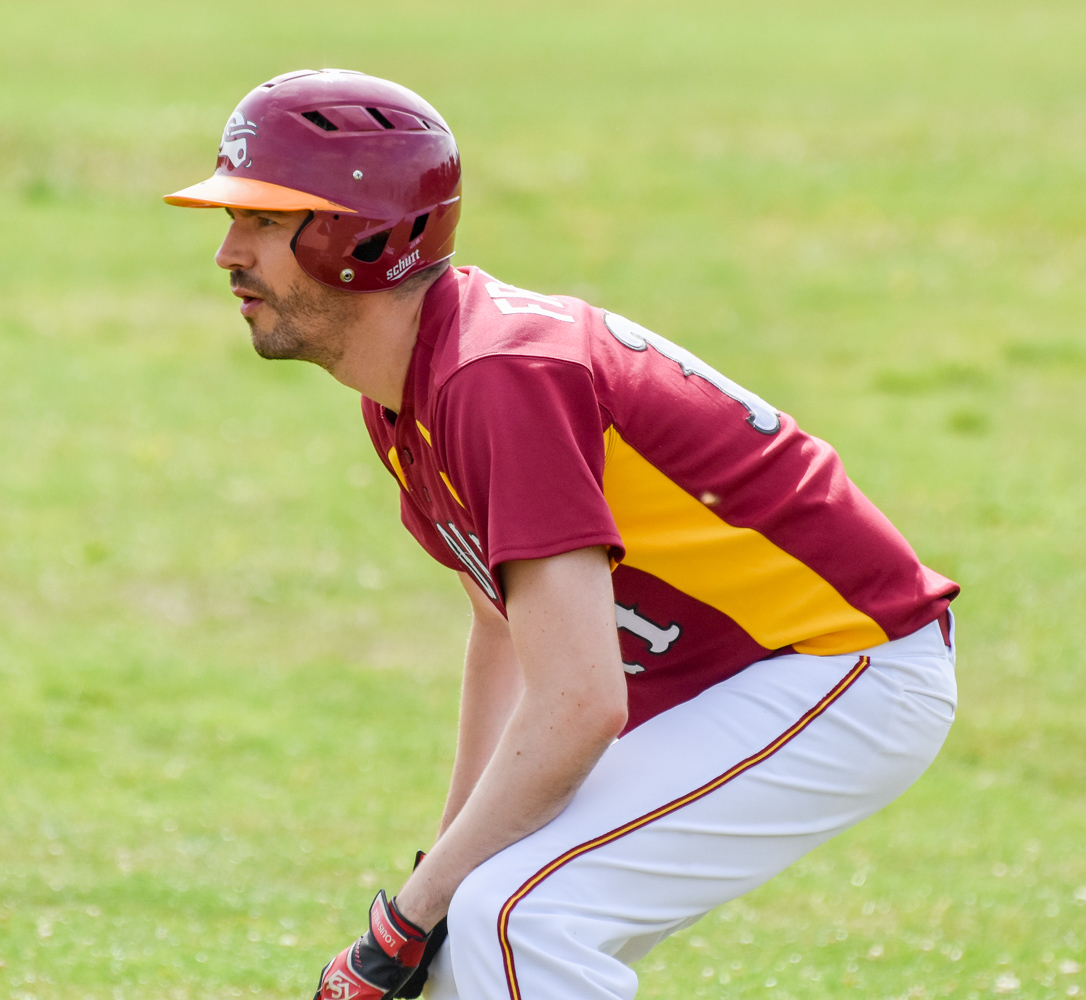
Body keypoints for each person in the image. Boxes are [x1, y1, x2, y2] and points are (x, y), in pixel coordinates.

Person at [164, 69, 959, 1000]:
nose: (227, 252)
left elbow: (580, 702)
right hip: (737, 671)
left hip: (845, 663)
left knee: (519, 919)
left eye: (262, 220)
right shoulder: (410, 390)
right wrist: (435, 888)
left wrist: (405, 918)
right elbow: (502, 630)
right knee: (473, 926)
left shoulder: (497, 378)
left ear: (359, 236)